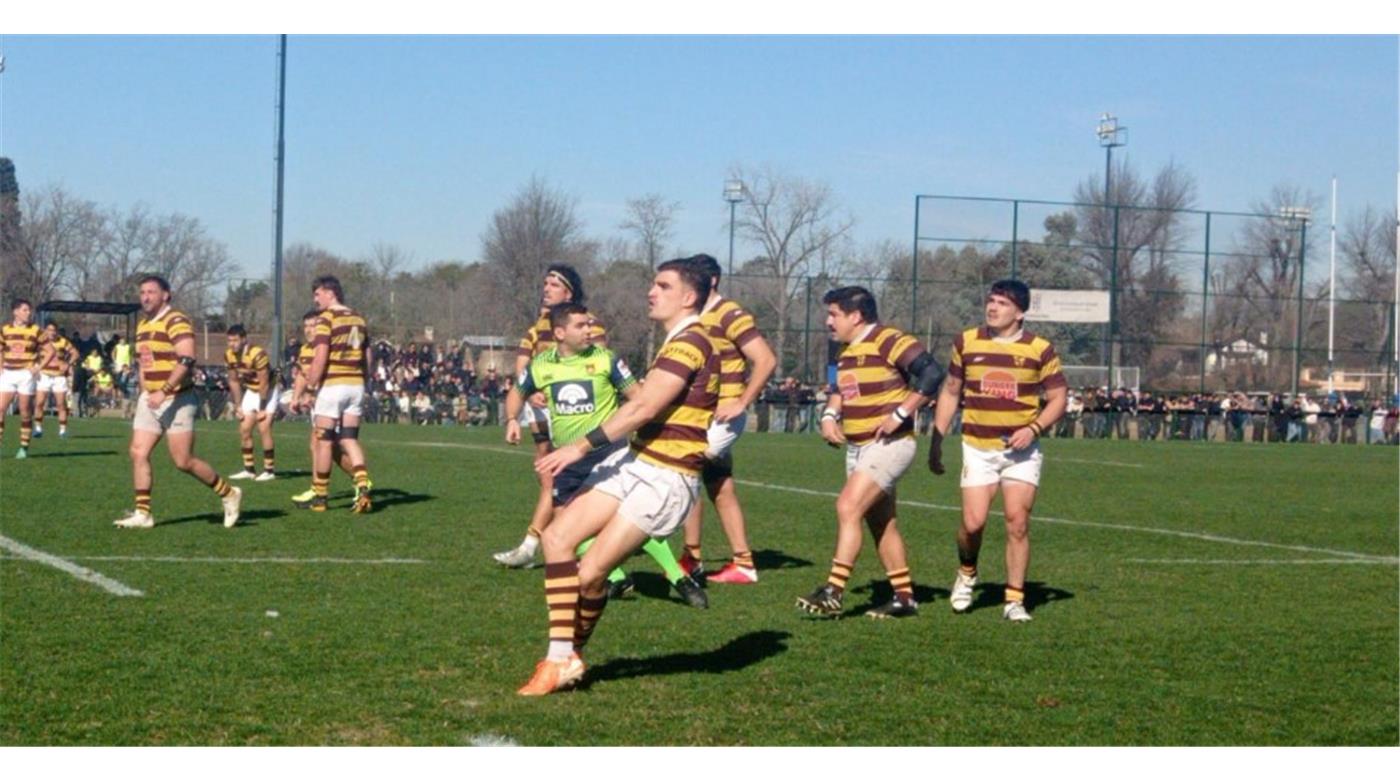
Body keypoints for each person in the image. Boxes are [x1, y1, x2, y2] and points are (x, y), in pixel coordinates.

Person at [515, 258, 719, 696]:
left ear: (688, 297)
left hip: (666, 475)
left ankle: (564, 659)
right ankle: (561, 659)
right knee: (556, 539)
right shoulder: (675, 341)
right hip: (637, 460)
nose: (651, 291)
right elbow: (641, 404)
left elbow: (644, 408)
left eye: (662, 286)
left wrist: (577, 447)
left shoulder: (690, 342)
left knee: (590, 575)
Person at [504, 301, 707, 608]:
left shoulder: (606, 360)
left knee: (628, 519)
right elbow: (516, 393)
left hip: (608, 451)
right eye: (581, 325)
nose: (589, 330)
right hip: (567, 459)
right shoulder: (541, 366)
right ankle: (617, 579)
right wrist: (511, 420)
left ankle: (674, 575)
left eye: (589, 324)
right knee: (566, 525)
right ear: (560, 332)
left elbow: (638, 398)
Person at [795, 286, 943, 620]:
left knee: (847, 506)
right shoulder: (845, 350)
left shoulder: (888, 339)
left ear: (856, 316)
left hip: (889, 444)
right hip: (858, 446)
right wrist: (830, 415)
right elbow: (839, 390)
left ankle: (833, 590)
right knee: (881, 523)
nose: (827, 321)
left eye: (834, 314)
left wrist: (901, 414)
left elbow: (932, 373)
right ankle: (904, 598)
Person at [929, 279, 1066, 623]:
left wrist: (1033, 428)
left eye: (1002, 304)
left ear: (1020, 312)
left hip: (1021, 451)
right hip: (977, 447)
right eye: (990, 301)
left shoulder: (1040, 349)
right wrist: (936, 437)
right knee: (973, 524)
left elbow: (1059, 399)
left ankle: (1014, 600)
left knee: (1017, 522)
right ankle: (967, 572)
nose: (992, 308)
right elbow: (950, 390)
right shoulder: (967, 341)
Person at [493, 264, 606, 568]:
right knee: (549, 477)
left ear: (568, 292)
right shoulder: (537, 326)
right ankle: (552, 544)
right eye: (545, 283)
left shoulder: (587, 323)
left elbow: (600, 366)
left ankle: (544, 545)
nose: (546, 289)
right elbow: (522, 367)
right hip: (543, 412)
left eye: (553, 285)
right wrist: (528, 395)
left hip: (580, 414)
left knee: (558, 481)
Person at [675, 254, 778, 586]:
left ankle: (692, 558)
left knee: (684, 469)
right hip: (700, 414)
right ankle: (743, 562)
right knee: (719, 484)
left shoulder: (729, 313)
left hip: (721, 416)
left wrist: (742, 401)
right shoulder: (694, 315)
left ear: (712, 281)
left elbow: (765, 359)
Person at [113, 275, 241, 529]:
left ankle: (228, 493)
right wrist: (144, 389)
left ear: (165, 295)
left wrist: (164, 390)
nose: (145, 297)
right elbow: (144, 362)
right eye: (142, 292)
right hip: (150, 399)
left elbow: (187, 359)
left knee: (182, 461)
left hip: (178, 398)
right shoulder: (143, 325)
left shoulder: (176, 320)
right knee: (138, 452)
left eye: (151, 292)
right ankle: (143, 513)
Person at [292, 275, 374, 513]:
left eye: (317, 294)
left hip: (333, 385)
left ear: (330, 293)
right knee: (349, 439)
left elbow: (321, 355)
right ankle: (362, 485)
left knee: (324, 440)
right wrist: (365, 381)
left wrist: (310, 386)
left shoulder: (326, 319)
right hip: (355, 385)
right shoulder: (358, 317)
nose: (315, 299)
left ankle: (320, 497)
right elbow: (367, 355)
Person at [224, 324, 280, 481]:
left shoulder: (257, 353)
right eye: (229, 341)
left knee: (264, 428)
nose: (232, 344)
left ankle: (269, 471)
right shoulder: (229, 355)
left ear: (244, 339)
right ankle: (249, 470)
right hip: (251, 390)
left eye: (235, 340)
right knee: (244, 429)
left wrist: (262, 408)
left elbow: (264, 383)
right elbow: (234, 381)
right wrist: (238, 405)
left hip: (268, 391)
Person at [0, 299, 50, 458]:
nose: (28, 313)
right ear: (15, 312)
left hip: (25, 375)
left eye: (29, 310)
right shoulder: (5, 330)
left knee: (25, 411)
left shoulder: (36, 330)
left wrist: (38, 368)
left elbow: (50, 352)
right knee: (0, 409)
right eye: (25, 310)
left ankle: (23, 447)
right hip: (8, 373)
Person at [33, 322, 79, 440]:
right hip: (44, 375)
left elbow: (75, 353)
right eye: (49, 330)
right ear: (45, 330)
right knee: (39, 403)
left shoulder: (63, 341)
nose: (52, 332)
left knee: (60, 404)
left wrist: (68, 364)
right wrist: (35, 366)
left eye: (54, 330)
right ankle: (38, 428)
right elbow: (32, 354)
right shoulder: (41, 342)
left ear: (56, 331)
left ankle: (62, 430)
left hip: (59, 376)